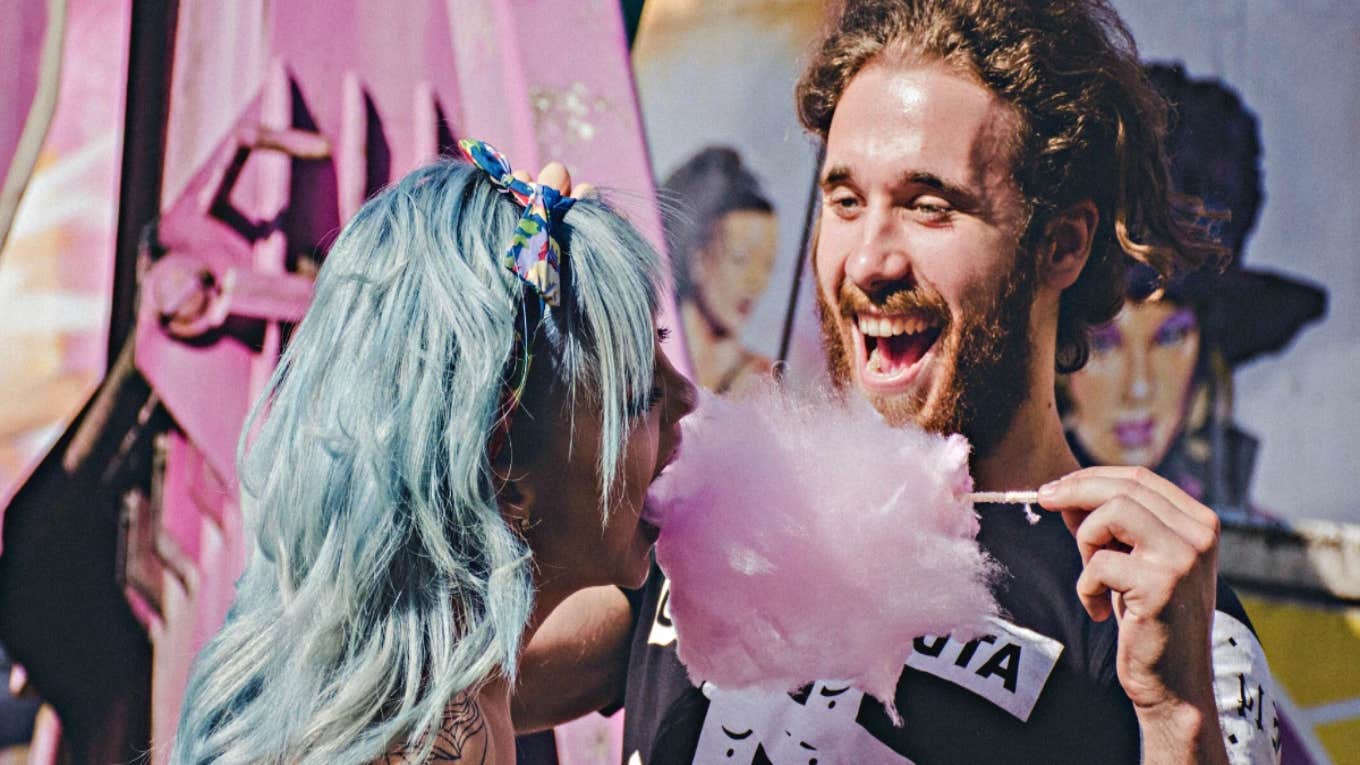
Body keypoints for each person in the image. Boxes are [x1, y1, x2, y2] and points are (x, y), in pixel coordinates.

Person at [516, 2, 1281, 763]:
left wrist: (1179, 723)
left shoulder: (1158, 611)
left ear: (1062, 244)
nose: (868, 261)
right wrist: (500, 359)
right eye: (845, 202)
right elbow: (441, 689)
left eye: (928, 207)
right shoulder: (715, 504)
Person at [170, 143, 696, 764]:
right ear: (503, 475)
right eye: (639, 396)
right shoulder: (452, 740)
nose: (687, 396)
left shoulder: (412, 692)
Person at [1063, 63, 1327, 514]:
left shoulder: (1254, 546)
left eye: (1169, 337)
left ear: (1205, 348)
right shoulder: (991, 528)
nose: (1139, 389)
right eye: (1104, 342)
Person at [660, 146, 778, 392]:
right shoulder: (640, 361)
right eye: (740, 259)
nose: (756, 282)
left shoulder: (762, 383)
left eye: (767, 265)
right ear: (698, 258)